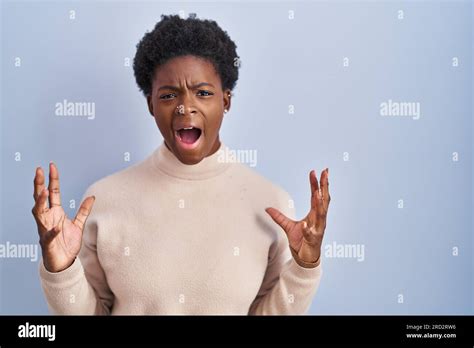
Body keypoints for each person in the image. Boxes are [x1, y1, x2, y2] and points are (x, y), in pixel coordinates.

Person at [32, 14, 331, 315]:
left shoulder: (271, 205)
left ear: (226, 101)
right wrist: (62, 271)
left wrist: (304, 267)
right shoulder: (103, 199)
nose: (185, 107)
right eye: (169, 95)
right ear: (151, 104)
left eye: (203, 93)